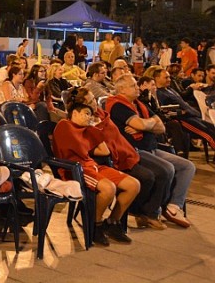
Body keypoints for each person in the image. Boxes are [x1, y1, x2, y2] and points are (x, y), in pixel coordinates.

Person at [99, 78, 193, 229]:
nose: (138, 88)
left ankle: (173, 206)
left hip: (153, 147)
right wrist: (146, 124)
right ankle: (151, 212)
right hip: (134, 150)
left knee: (187, 166)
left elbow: (161, 126)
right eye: (133, 85)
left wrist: (143, 125)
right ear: (122, 90)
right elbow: (144, 123)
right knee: (166, 169)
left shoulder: (139, 104)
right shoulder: (118, 105)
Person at [53, 90, 140, 246]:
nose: (89, 117)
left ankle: (113, 222)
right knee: (109, 189)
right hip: (76, 170)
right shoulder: (64, 126)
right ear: (75, 113)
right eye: (86, 113)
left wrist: (93, 129)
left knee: (133, 185)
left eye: (90, 114)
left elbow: (104, 151)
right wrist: (89, 130)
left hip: (93, 166)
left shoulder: (87, 129)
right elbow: (76, 151)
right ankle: (95, 225)